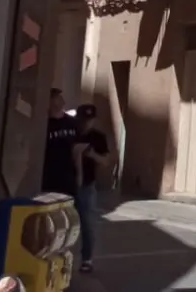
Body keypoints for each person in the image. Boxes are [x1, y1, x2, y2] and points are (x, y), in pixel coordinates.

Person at [75, 104, 111, 273]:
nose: (86, 123)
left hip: (87, 185)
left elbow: (105, 161)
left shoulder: (98, 137)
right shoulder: (71, 133)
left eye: (89, 120)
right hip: (66, 184)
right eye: (83, 119)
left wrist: (91, 154)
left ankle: (87, 259)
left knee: (88, 223)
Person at [40, 90, 83, 197]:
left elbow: (77, 150)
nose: (59, 100)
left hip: (68, 174)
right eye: (55, 98)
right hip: (48, 174)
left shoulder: (73, 123)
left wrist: (79, 174)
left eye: (60, 97)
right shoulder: (44, 123)